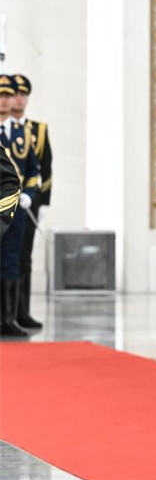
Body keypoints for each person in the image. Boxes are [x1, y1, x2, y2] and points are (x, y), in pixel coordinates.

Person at [0, 74, 39, 337]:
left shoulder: (23, 134)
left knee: (11, 262)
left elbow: (34, 171)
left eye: (7, 96)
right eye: (0, 96)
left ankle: (9, 318)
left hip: (13, 210)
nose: (4, 101)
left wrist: (30, 195)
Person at [10, 74, 50, 329]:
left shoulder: (37, 130)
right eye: (14, 94)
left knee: (24, 256)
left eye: (23, 95)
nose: (19, 99)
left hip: (28, 203)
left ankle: (21, 311)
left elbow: (45, 168)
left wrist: (42, 202)